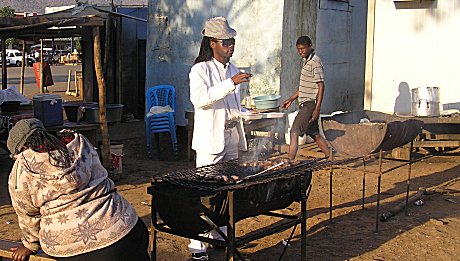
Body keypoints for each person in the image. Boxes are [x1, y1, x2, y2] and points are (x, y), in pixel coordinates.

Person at [6, 118, 150, 261]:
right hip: (125, 229)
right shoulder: (79, 143)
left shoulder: (22, 168)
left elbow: (27, 213)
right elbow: (101, 176)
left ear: (22, 149)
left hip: (73, 249)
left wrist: (30, 244)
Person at [188, 16, 252, 260]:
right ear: (212, 43)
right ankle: (197, 244)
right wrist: (230, 83)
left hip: (231, 138)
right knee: (205, 192)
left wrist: (248, 112)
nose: (231, 46)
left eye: (232, 41)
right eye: (226, 42)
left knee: (226, 190)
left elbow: (231, 107)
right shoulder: (200, 70)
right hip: (210, 141)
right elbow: (201, 100)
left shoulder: (232, 69)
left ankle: (220, 235)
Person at [281, 36, 330, 160]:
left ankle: (290, 161)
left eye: (303, 48)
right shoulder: (306, 61)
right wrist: (291, 99)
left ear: (310, 46)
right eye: (298, 49)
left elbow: (321, 86)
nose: (301, 52)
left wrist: (317, 108)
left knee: (294, 131)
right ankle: (330, 158)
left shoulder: (315, 62)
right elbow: (304, 87)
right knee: (314, 134)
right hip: (305, 103)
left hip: (309, 105)